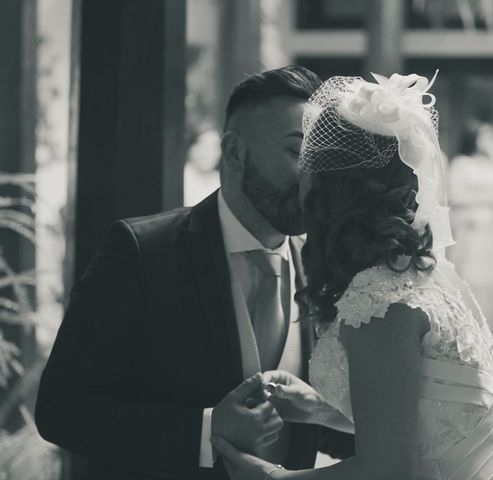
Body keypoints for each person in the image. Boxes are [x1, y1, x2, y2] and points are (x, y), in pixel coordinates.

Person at [212, 73, 493, 479]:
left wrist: (272, 478)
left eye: (307, 159)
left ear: (331, 185)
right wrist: (321, 410)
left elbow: (386, 472)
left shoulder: (378, 299)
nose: (301, 177)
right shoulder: (427, 272)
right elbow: (435, 419)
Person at [35, 66, 352, 480]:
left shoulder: (324, 266)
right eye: (297, 153)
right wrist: (205, 430)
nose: (313, 178)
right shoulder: (141, 251)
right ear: (235, 152)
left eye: (320, 160)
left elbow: (317, 430)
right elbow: (62, 409)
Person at [448, 122, 493, 336]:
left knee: (491, 281)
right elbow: (456, 195)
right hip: (470, 228)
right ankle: (464, 328)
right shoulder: (461, 164)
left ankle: (490, 330)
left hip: (492, 232)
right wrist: (487, 199)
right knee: (469, 276)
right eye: (484, 137)